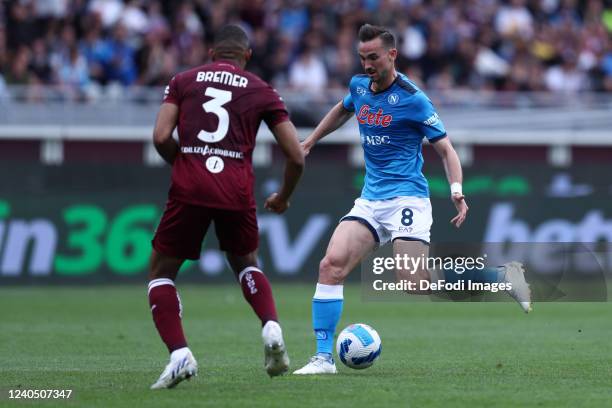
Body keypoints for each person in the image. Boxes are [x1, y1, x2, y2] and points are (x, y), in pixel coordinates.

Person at [293, 24, 531, 375]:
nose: (367, 65)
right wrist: (310, 140)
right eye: (362, 58)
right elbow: (342, 110)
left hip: (408, 199)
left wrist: (456, 192)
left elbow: (446, 150)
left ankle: (501, 278)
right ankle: (323, 359)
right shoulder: (359, 86)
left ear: (392, 55)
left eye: (373, 57)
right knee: (330, 265)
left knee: (413, 282)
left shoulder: (413, 99)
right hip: (371, 200)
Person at [148, 24, 304, 389]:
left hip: (190, 186)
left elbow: (159, 136)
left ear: (211, 53)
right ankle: (271, 326)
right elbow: (296, 156)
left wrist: (187, 164)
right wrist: (283, 195)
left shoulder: (184, 80)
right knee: (246, 263)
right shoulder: (262, 90)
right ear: (246, 57)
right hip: (235, 188)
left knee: (161, 271)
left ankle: (179, 354)